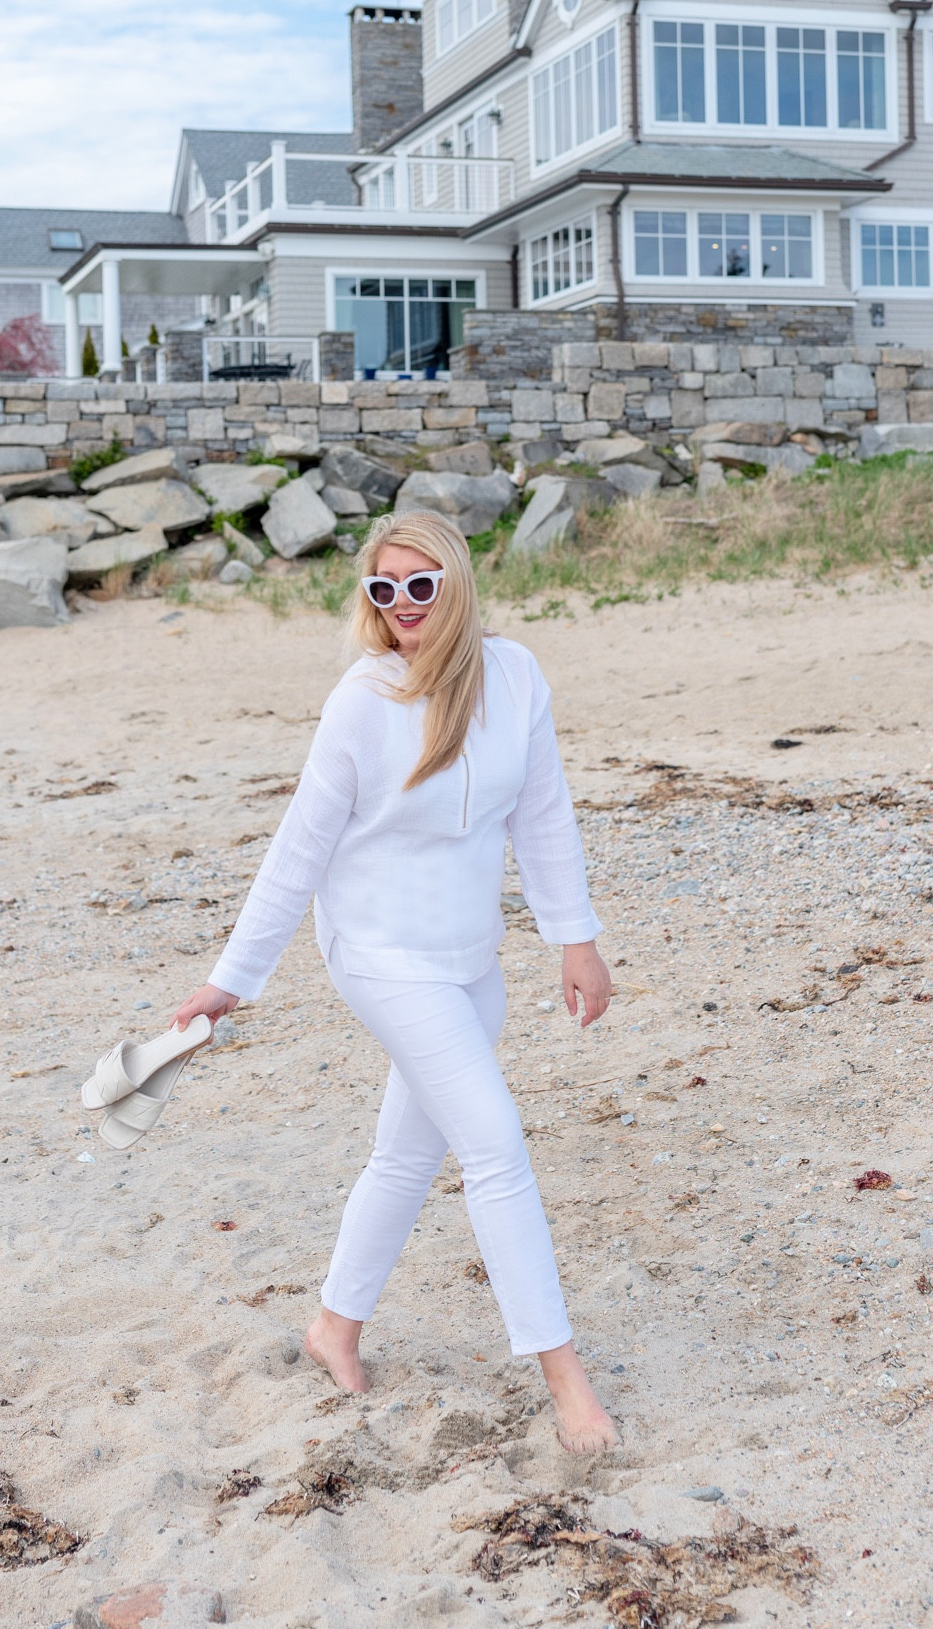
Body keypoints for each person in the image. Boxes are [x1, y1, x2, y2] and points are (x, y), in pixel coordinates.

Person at [171, 508, 619, 1454]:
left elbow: (544, 817)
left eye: (422, 585)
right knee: (495, 1144)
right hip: (377, 956)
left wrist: (574, 939)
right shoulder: (361, 699)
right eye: (386, 589)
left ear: (455, 584)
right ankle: (567, 1383)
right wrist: (230, 982)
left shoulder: (516, 675)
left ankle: (335, 1325)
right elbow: (298, 851)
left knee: (407, 1158)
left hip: (469, 961)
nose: (405, 604)